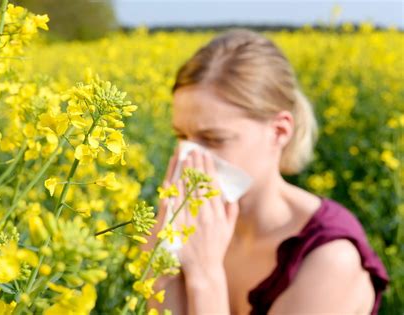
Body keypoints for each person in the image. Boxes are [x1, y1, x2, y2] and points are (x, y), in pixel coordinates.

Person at [141, 28, 389, 315]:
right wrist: (161, 265)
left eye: (214, 139)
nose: (188, 158)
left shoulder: (329, 258)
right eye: (181, 136)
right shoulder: (200, 225)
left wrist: (205, 276)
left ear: (279, 132)